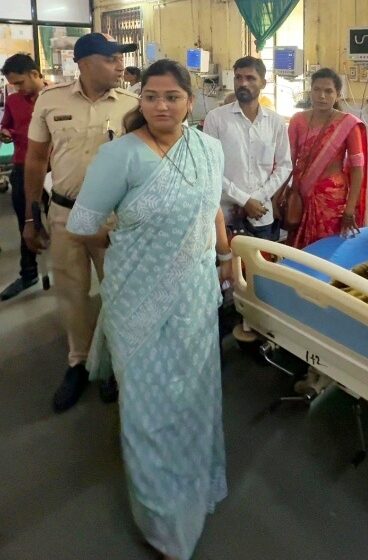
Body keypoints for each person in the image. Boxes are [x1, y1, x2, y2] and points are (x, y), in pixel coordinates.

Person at [66, 58, 229, 560]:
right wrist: (130, 241)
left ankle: (195, 484)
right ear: (140, 100)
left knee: (194, 396)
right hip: (138, 298)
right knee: (148, 411)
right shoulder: (120, 156)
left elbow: (213, 210)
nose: (162, 106)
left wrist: (226, 259)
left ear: (190, 102)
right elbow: (83, 224)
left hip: (195, 296)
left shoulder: (209, 149)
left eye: (172, 97)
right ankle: (163, 523)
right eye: (152, 96)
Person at [23, 33, 139, 412]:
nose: (120, 65)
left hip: (113, 218)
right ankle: (79, 362)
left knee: (117, 292)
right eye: (111, 59)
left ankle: (113, 361)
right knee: (72, 293)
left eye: (120, 59)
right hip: (65, 214)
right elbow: (36, 160)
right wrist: (31, 216)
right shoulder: (50, 100)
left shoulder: (131, 105)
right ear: (85, 63)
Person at [203, 56, 291, 241]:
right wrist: (244, 200)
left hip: (261, 214)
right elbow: (210, 168)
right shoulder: (216, 118)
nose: (243, 83)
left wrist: (257, 198)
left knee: (261, 260)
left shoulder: (275, 122)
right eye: (238, 77)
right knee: (227, 260)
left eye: (250, 78)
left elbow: (284, 165)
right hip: (225, 216)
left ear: (263, 83)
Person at [287, 67, 368, 249]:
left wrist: (350, 209)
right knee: (298, 250)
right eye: (317, 89)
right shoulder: (297, 120)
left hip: (332, 199)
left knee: (328, 249)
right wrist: (283, 195)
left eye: (328, 91)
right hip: (300, 196)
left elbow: (357, 169)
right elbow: (288, 162)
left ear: (338, 95)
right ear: (310, 92)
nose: (321, 96)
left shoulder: (348, 124)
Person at [0, 54, 48, 301]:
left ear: (34, 74)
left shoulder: (55, 98)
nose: (17, 88)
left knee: (63, 220)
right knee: (27, 223)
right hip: (22, 165)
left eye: (19, 82)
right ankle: (28, 274)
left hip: (54, 168)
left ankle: (69, 270)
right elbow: (6, 125)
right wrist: (5, 132)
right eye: (13, 84)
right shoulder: (13, 100)